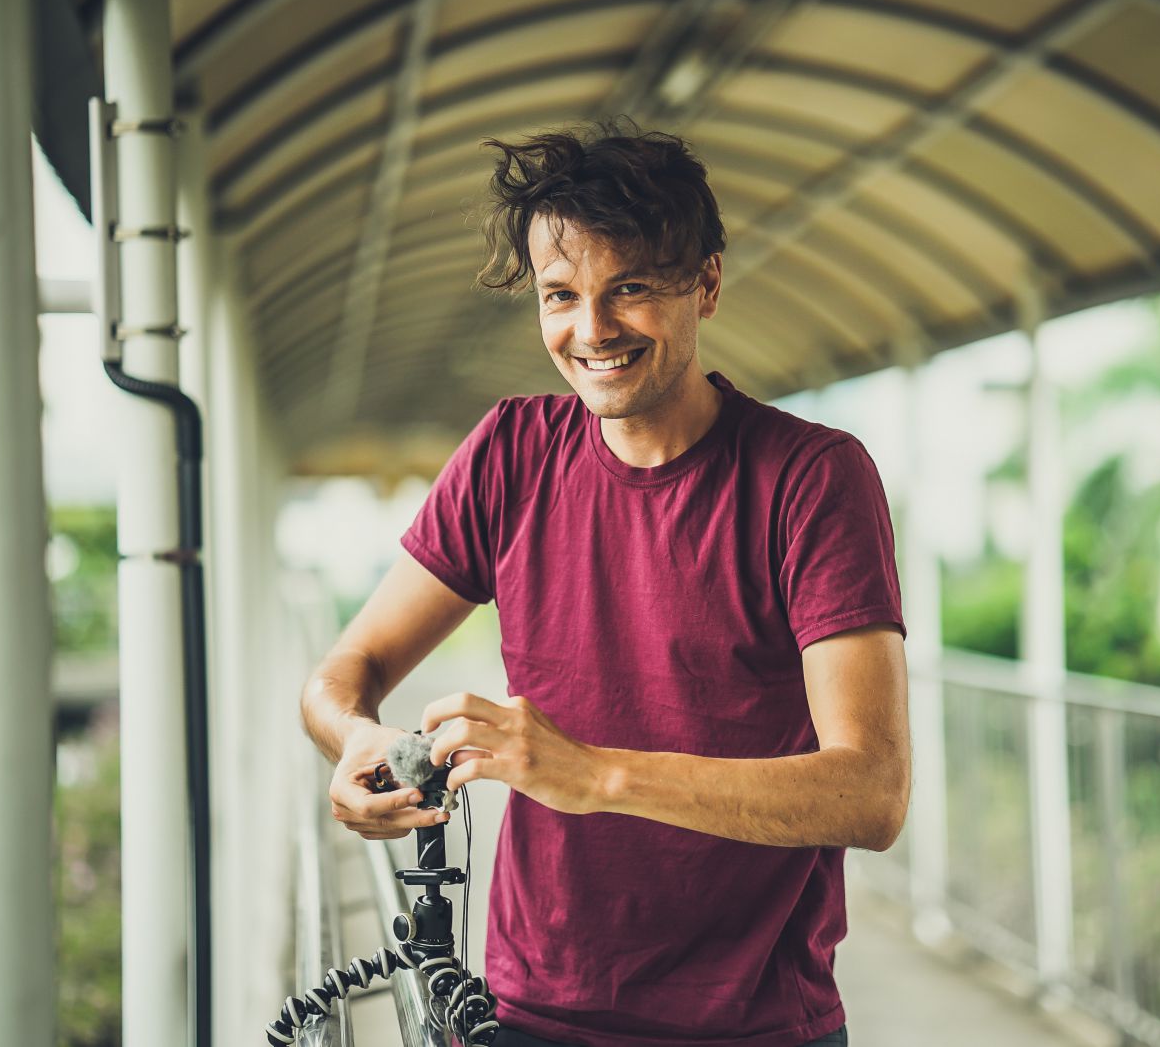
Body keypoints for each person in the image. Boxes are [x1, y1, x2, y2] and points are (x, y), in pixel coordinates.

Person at [300, 121, 911, 1047]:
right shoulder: (511, 452)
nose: (592, 330)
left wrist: (592, 773)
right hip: (528, 1016)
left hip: (754, 1027)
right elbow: (347, 667)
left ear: (705, 283)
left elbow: (871, 791)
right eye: (561, 294)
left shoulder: (812, 478)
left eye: (630, 288)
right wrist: (352, 741)